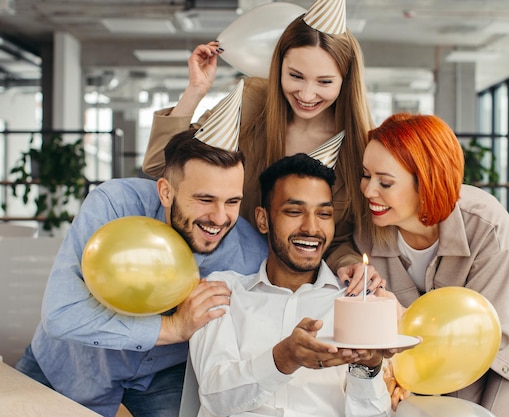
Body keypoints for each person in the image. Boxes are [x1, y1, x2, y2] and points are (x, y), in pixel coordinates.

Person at [15, 83, 269, 417]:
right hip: (69, 364)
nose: (220, 218)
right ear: (166, 192)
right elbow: (61, 315)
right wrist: (173, 328)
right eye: (204, 199)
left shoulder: (251, 252)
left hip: (163, 375)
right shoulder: (115, 205)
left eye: (232, 201)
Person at [142, 0, 377, 292]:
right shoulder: (252, 102)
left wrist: (348, 261)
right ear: (278, 67)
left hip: (295, 289)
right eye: (295, 76)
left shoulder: (360, 149)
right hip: (222, 276)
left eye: (325, 82)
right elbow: (158, 165)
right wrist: (195, 91)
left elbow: (337, 238)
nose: (306, 94)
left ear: (346, 80)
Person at [354, 113, 509, 417]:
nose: (368, 190)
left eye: (385, 182)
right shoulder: (370, 225)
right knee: (440, 403)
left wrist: (401, 316)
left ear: (427, 183)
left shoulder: (485, 222)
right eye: (366, 175)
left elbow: (484, 332)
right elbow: (341, 246)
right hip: (446, 336)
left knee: (496, 411)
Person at [189, 153, 395, 417]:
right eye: (294, 211)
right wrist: (284, 358)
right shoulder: (223, 291)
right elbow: (215, 398)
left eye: (324, 213)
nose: (311, 228)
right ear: (263, 220)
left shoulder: (358, 301)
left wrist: (369, 367)